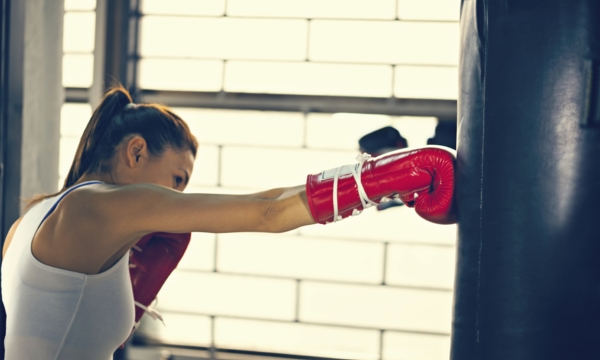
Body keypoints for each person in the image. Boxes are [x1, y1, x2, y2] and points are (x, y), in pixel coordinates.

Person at [1, 86, 456, 360]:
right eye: (177, 179)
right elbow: (267, 213)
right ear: (135, 152)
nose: (176, 195)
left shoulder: (29, 223)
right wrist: (376, 182)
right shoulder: (104, 206)